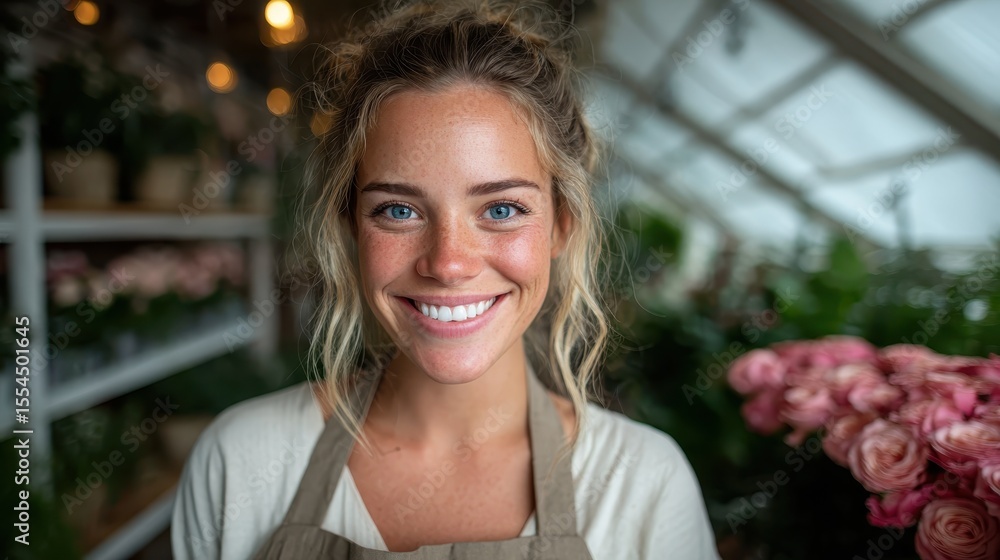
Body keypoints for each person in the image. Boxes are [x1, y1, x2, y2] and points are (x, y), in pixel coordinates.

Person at [171, 0, 720, 558]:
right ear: (351, 226)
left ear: (561, 226)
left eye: (501, 209)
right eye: (399, 211)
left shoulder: (644, 487)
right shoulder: (240, 462)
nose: (448, 263)